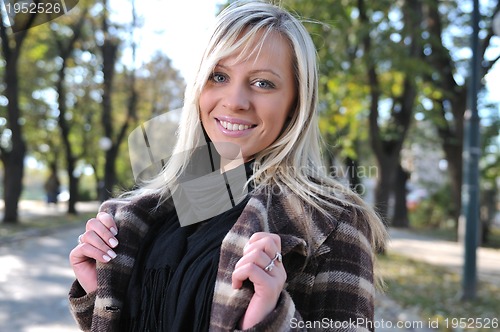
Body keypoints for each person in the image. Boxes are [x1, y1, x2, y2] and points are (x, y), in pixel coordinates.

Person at [68, 1, 387, 331]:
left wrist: (271, 318)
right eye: (219, 76)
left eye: (263, 83)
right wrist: (99, 289)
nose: (235, 100)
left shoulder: (333, 220)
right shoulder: (145, 215)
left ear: (296, 102)